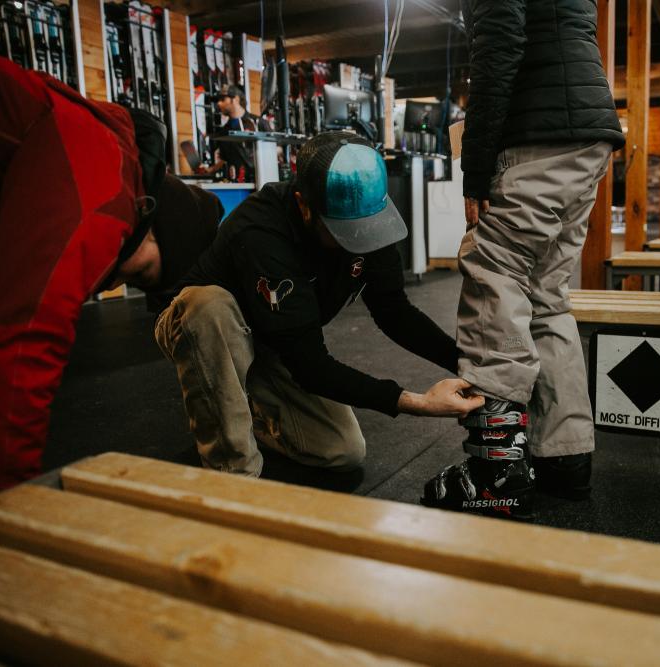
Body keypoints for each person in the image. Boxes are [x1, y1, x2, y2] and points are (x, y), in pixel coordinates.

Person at [0, 26, 222, 510]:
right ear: (148, 222)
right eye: (142, 273)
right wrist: (9, 525)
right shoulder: (104, 183)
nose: (111, 281)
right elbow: (14, 350)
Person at [156, 131, 482, 477]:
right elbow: (310, 364)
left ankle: (244, 411)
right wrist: (419, 403)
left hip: (275, 340)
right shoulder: (261, 230)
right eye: (343, 231)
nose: (357, 243)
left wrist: (467, 365)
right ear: (303, 205)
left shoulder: (372, 216)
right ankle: (233, 476)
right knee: (209, 305)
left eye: (365, 230)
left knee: (343, 451)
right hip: (201, 328)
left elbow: (394, 312)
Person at [421, 0, 626, 519]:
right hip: (589, 134)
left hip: (536, 134)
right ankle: (565, 458)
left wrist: (477, 165)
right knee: (546, 299)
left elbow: (500, 44)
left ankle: (495, 473)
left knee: (496, 276)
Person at [200, 84, 268, 182]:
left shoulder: (257, 122)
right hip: (238, 184)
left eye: (223, 99)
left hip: (262, 181)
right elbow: (224, 158)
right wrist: (210, 170)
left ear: (235, 99)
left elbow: (278, 148)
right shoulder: (225, 131)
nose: (219, 103)